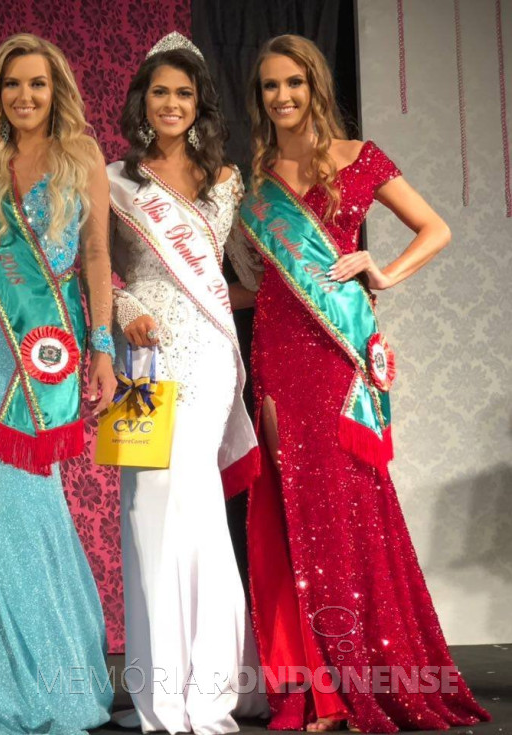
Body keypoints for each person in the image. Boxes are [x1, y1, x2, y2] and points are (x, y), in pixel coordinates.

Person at [228, 34, 491, 733]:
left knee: (347, 512)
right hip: (279, 355)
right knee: (295, 515)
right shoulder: (254, 177)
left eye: (294, 83)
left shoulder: (361, 158)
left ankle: (364, 676)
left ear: (316, 85)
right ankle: (321, 689)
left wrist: (382, 269)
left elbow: (434, 229)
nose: (282, 97)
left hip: (338, 357)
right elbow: (254, 288)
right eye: (269, 87)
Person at [0, 32, 117, 735]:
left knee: (33, 495)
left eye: (37, 84)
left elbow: (98, 253)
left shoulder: (82, 158)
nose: (25, 96)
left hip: (48, 345)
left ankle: (52, 672)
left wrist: (101, 345)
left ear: (56, 90)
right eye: (13, 85)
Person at [105, 32, 267, 735]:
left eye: (184, 92)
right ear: (144, 99)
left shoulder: (227, 179)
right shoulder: (114, 178)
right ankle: (159, 691)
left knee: (195, 502)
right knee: (147, 507)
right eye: (160, 91)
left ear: (200, 102)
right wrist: (125, 305)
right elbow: (93, 276)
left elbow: (250, 278)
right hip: (141, 361)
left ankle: (210, 689)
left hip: (204, 355)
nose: (172, 103)